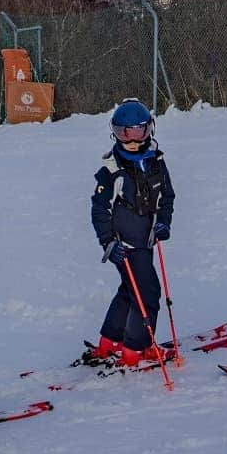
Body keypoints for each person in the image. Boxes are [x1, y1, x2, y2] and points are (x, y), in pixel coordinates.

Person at [89, 98, 176, 367]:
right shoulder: (111, 170)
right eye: (122, 133)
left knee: (130, 289)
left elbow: (167, 197)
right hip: (124, 244)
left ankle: (110, 341)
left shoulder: (155, 162)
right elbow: (99, 210)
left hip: (145, 239)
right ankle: (136, 349)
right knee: (147, 294)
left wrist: (163, 222)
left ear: (149, 130)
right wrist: (108, 243)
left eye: (136, 131)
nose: (131, 140)